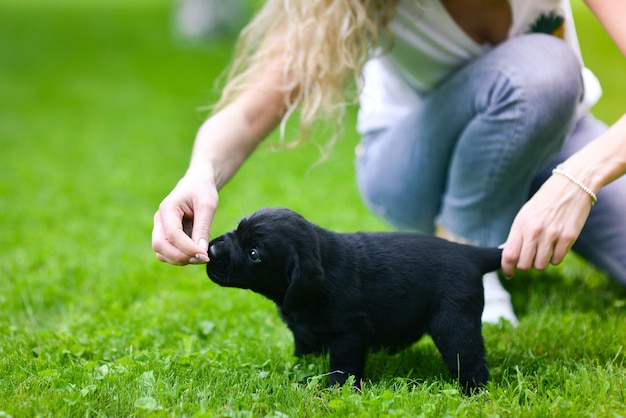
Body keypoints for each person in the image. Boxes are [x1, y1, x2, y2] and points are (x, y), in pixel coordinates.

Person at [152, 0, 626, 325]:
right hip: (413, 166)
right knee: (544, 70)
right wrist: (200, 173)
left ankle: (509, 207)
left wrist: (580, 177)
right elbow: (252, 109)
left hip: (558, 141)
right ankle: (465, 248)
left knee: (546, 79)